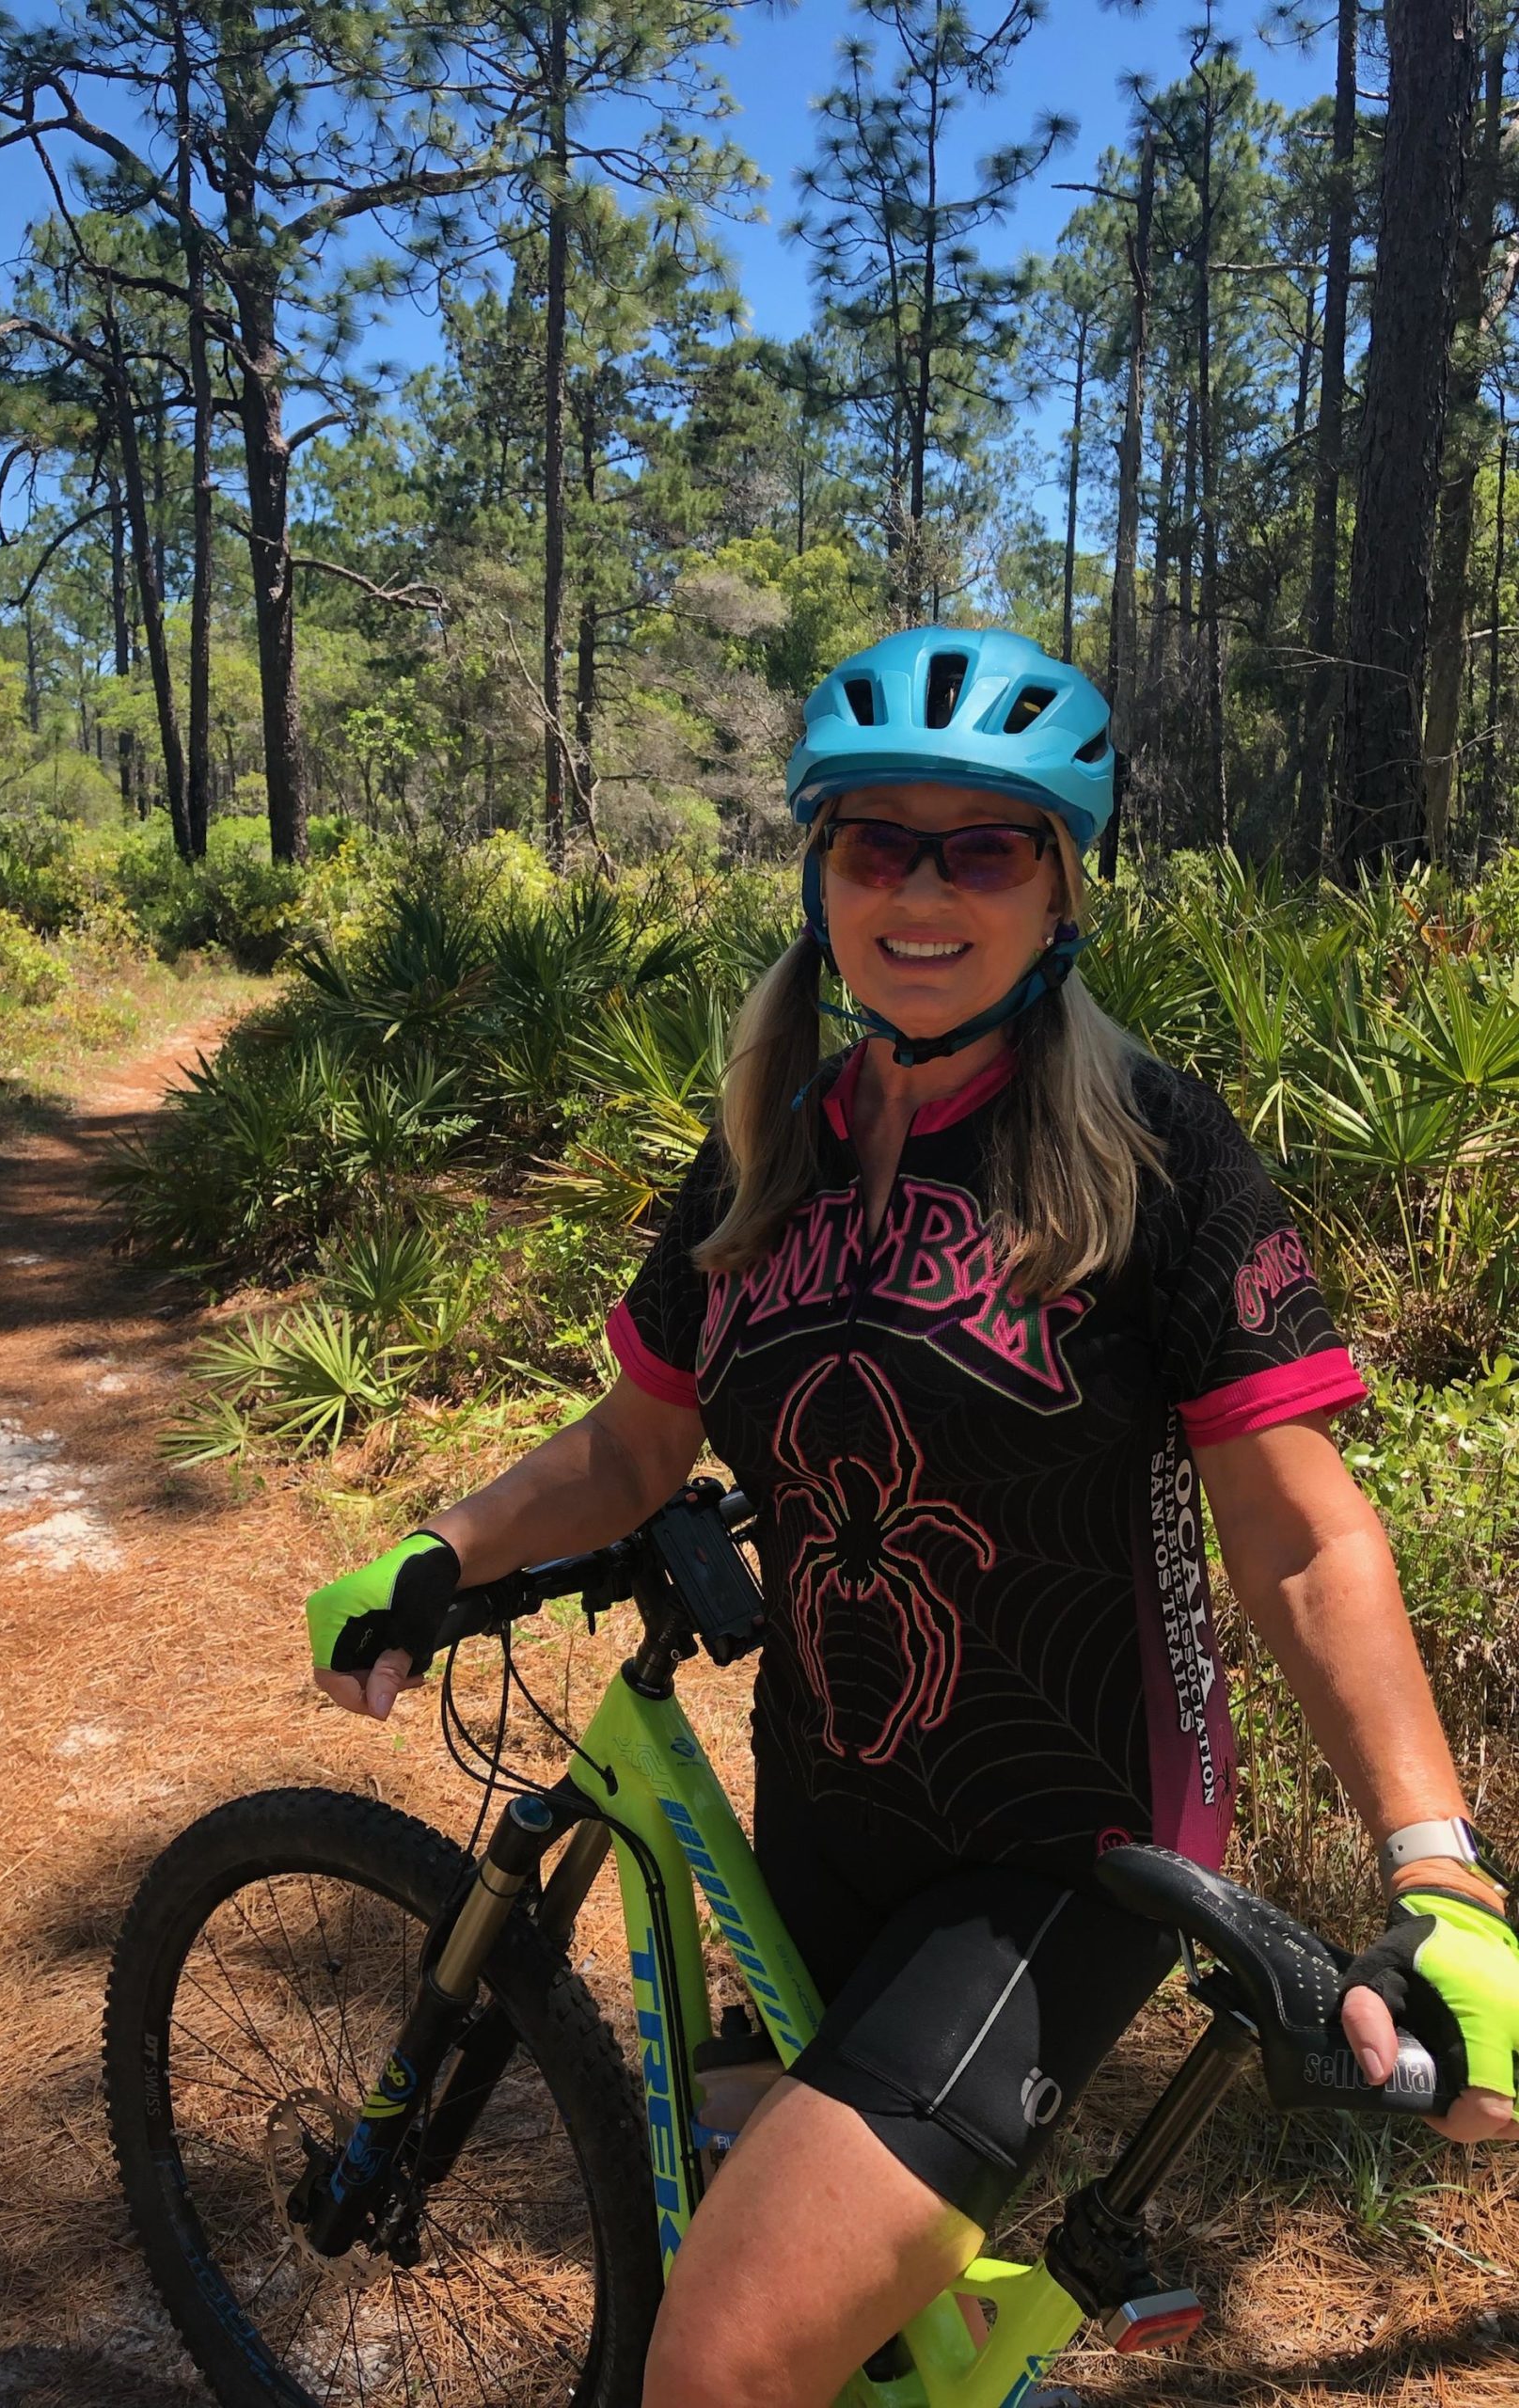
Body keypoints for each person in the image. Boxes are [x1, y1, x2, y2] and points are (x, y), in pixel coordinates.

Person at [306, 626, 1519, 2408]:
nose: (925, 891)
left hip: (1068, 1850)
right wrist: (441, 1551)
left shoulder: (1158, 1154)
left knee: (720, 2369)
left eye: (987, 849)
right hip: (824, 1812)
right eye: (879, 844)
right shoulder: (766, 1153)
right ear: (820, 874)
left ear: (1061, 889)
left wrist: (1437, 1864)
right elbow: (636, 1446)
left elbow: (1304, 1537)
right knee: (816, 2306)